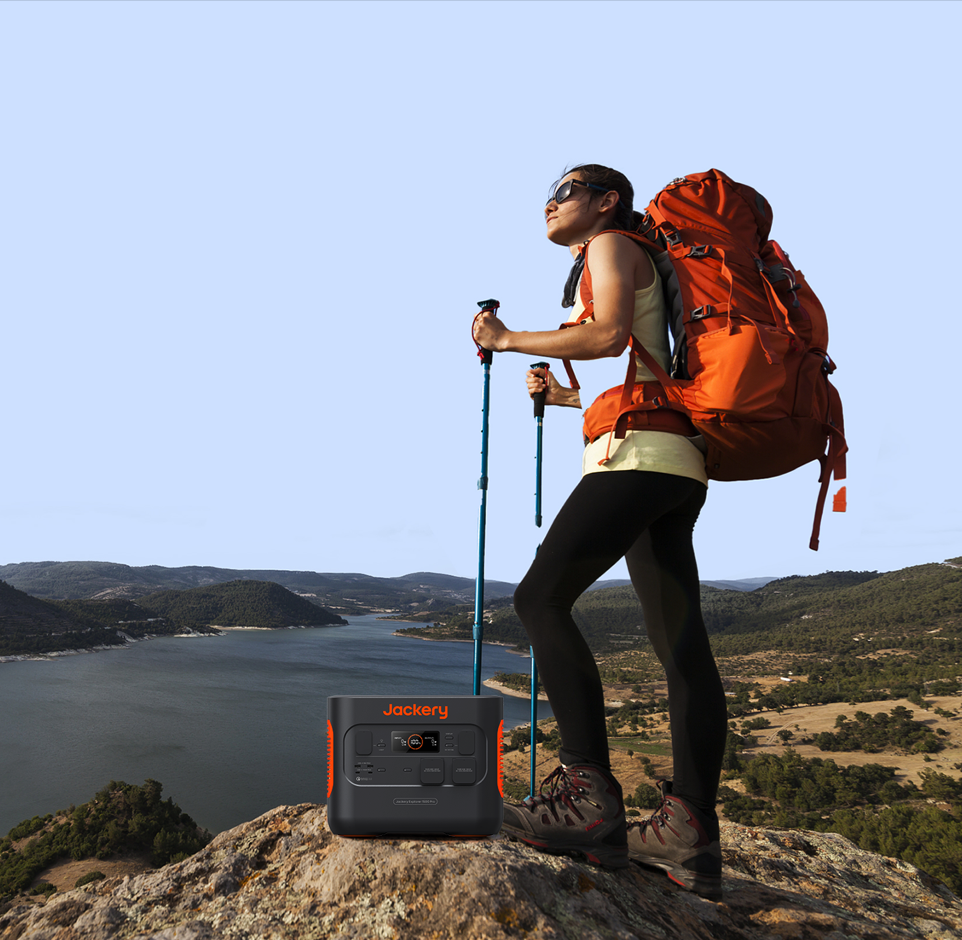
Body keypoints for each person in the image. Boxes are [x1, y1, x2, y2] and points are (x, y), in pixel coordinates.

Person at [471, 165, 727, 900]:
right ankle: (689, 831)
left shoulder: (612, 245)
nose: (550, 202)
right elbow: (632, 358)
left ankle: (587, 798)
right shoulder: (634, 257)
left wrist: (506, 338)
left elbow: (608, 333)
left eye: (566, 189)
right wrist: (561, 397)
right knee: (680, 643)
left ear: (607, 201)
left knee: (539, 597)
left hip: (637, 455)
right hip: (675, 462)